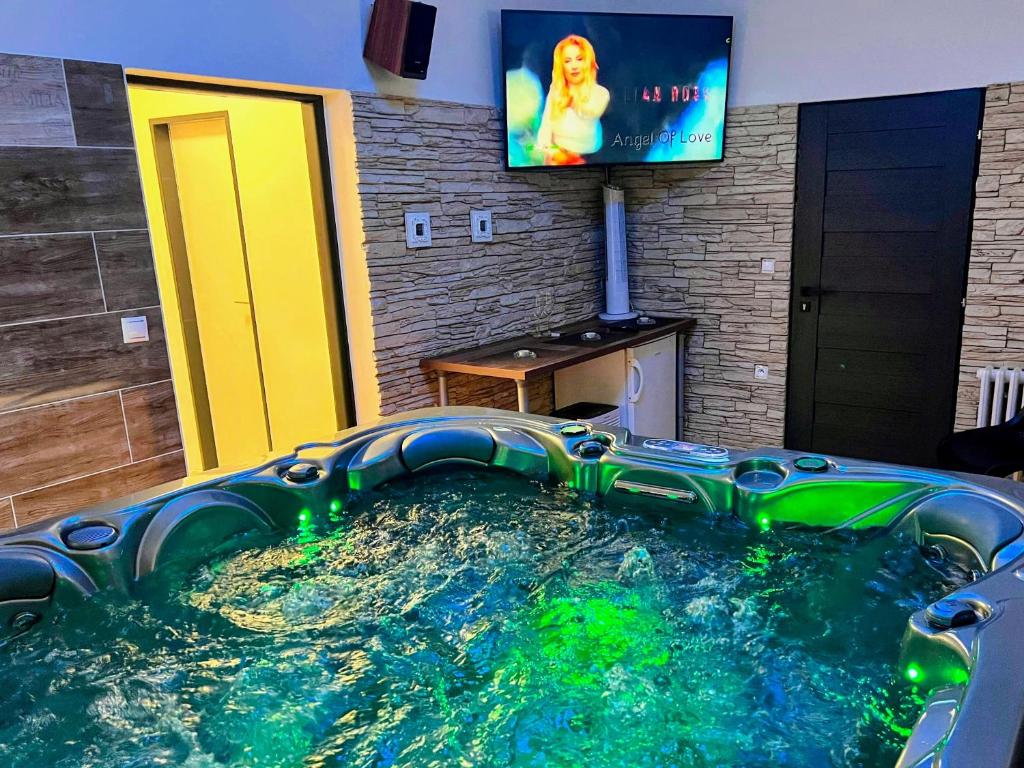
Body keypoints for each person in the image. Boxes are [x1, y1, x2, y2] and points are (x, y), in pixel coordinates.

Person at [537, 34, 610, 165]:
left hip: (593, 160)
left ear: (588, 62)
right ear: (561, 66)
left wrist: (570, 92)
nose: (574, 66)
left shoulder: (601, 93)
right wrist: (556, 154)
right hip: (559, 157)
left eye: (579, 59)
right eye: (567, 61)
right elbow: (544, 135)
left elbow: (589, 112)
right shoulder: (555, 92)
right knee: (529, 148)